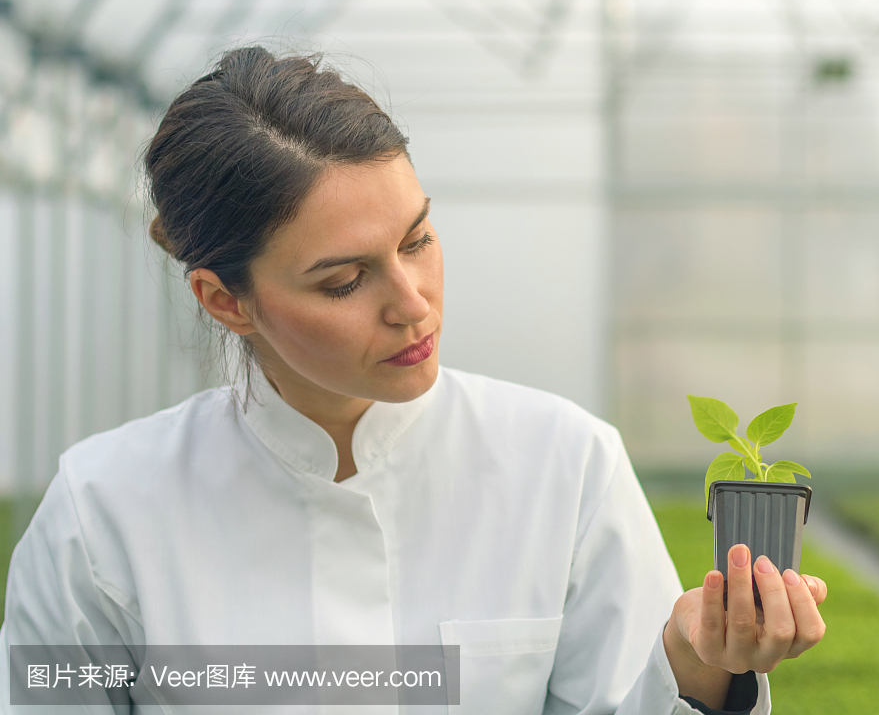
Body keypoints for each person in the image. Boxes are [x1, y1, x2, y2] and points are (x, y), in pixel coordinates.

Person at [0, 47, 827, 714]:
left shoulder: (564, 465)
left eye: (418, 239)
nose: (412, 303)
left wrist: (694, 670)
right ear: (225, 300)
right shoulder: (102, 516)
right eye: (343, 281)